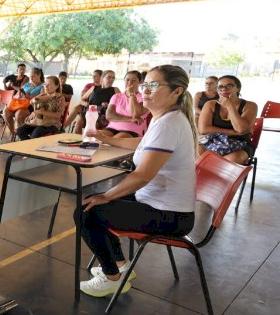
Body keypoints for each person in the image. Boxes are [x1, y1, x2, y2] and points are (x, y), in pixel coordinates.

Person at [76, 65, 198, 297]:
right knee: (97, 202)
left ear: (176, 92)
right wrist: (105, 139)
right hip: (157, 202)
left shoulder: (169, 123)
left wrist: (107, 196)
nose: (146, 90)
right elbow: (140, 144)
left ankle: (112, 278)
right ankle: (121, 266)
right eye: (145, 85)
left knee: (87, 210)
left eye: (154, 85)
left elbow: (142, 175)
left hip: (170, 216)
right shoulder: (164, 117)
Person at [197, 75, 258, 165]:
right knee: (195, 153)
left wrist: (230, 106)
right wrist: (233, 132)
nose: (224, 89)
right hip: (212, 140)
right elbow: (203, 129)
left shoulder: (250, 105)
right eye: (220, 86)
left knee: (230, 161)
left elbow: (241, 129)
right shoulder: (210, 104)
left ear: (238, 88)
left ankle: (213, 175)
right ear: (217, 89)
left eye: (229, 86)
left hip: (240, 144)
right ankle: (202, 176)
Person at [99, 70, 149, 139]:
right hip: (112, 127)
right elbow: (109, 115)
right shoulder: (117, 96)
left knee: (115, 140)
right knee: (96, 137)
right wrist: (130, 119)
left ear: (140, 82)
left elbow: (135, 113)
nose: (130, 83)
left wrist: (131, 94)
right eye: (127, 80)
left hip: (132, 130)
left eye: (134, 80)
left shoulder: (144, 97)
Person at [17, 76, 66, 140]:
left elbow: (58, 115)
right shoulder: (42, 95)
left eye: (49, 84)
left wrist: (40, 112)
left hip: (52, 123)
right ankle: (30, 146)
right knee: (20, 131)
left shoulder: (60, 98)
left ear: (56, 86)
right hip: (38, 122)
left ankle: (30, 147)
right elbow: (32, 101)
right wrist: (35, 110)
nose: (46, 86)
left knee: (36, 133)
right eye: (45, 84)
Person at [2, 63, 29, 138]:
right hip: (11, 100)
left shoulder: (26, 78)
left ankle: (19, 133)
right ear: (17, 70)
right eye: (21, 69)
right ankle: (12, 132)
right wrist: (4, 82)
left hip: (19, 100)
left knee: (18, 114)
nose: (22, 71)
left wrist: (13, 85)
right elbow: (7, 89)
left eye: (24, 69)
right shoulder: (13, 78)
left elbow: (21, 89)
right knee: (5, 113)